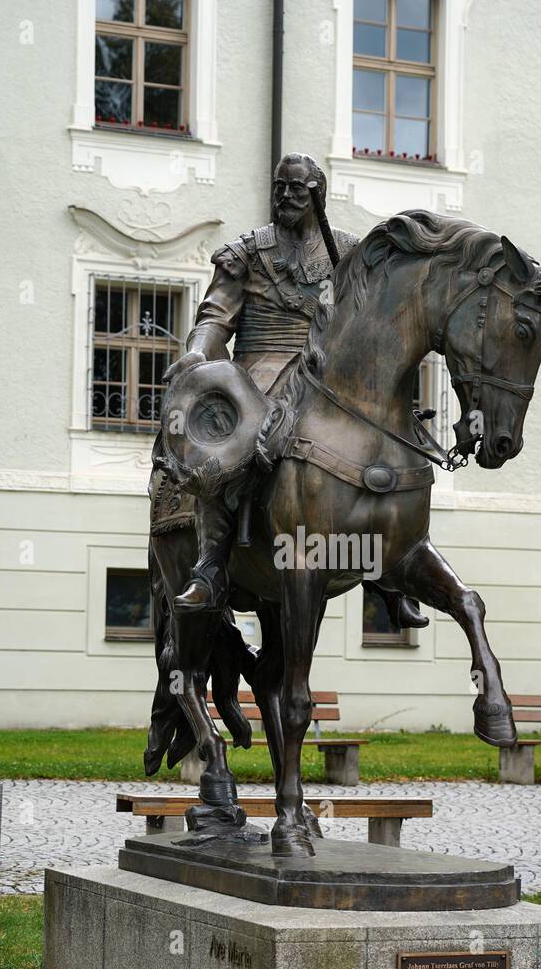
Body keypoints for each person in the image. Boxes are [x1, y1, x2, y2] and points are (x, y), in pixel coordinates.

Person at [168, 151, 427, 630]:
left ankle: (389, 569)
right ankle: (210, 565)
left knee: (392, 444)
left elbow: (373, 321)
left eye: (296, 189)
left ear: (317, 197)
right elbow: (215, 317)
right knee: (232, 447)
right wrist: (198, 354)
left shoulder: (348, 253)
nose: (285, 196)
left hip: (328, 373)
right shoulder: (247, 252)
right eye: (279, 187)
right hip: (259, 370)